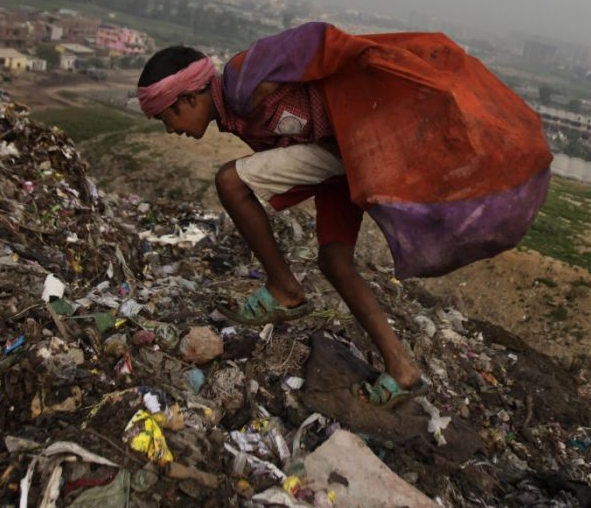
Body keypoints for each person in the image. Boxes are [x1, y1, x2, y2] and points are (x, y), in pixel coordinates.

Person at [137, 22, 552, 407]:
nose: (169, 129)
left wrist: (373, 65)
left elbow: (320, 41)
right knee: (334, 261)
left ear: (190, 98)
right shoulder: (237, 113)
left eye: (167, 117)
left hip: (358, 141)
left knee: (231, 182)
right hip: (341, 158)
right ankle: (403, 369)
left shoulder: (246, 76)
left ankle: (284, 290)